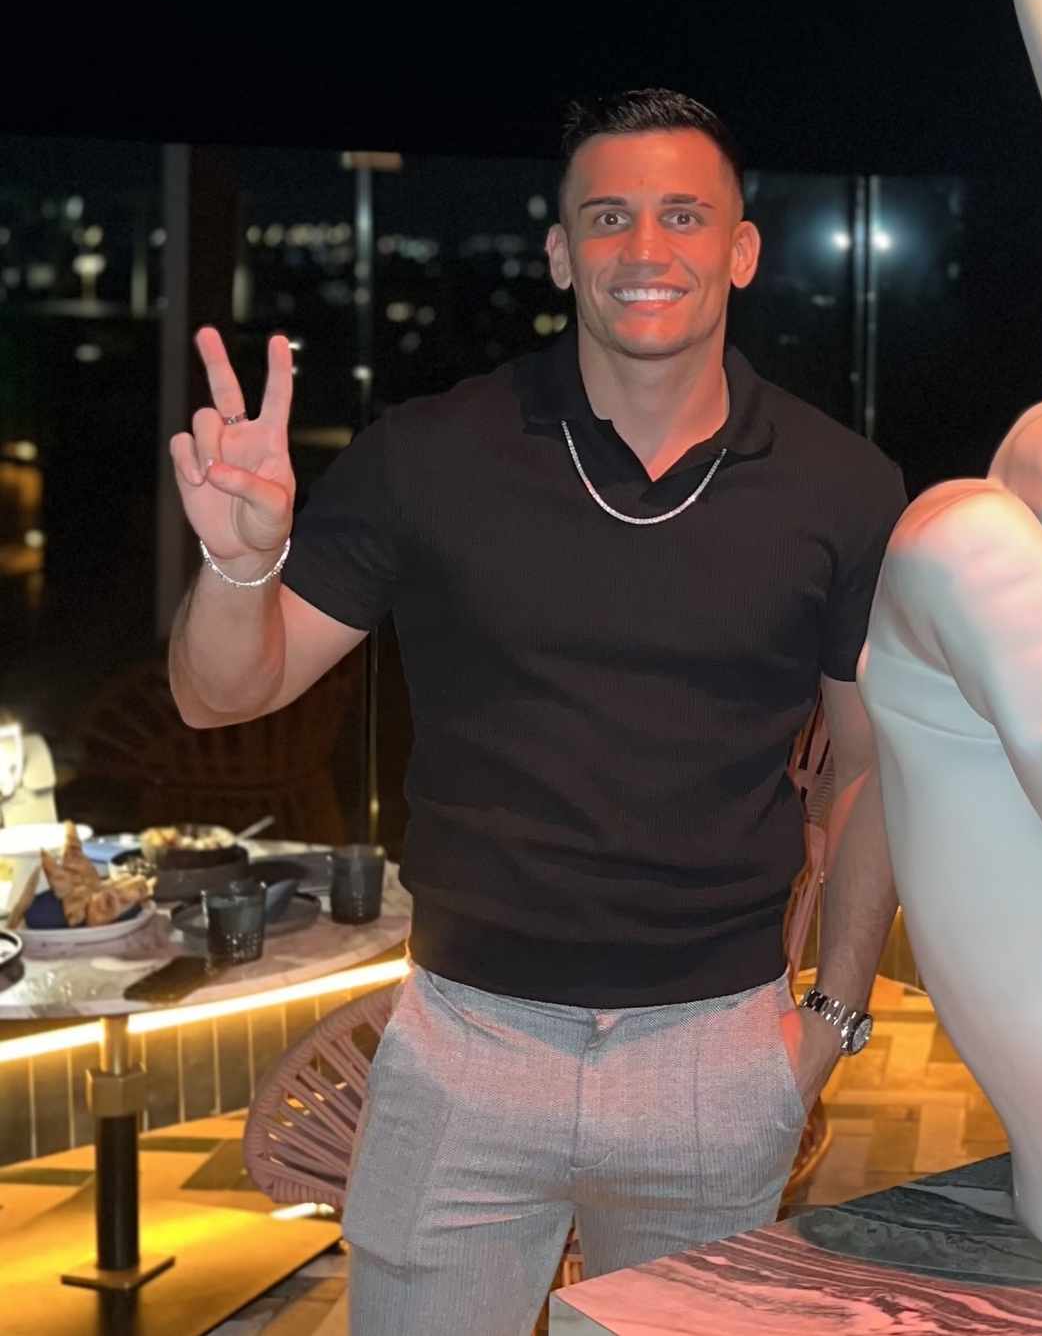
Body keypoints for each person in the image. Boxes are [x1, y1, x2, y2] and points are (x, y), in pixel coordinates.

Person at [168, 88, 906, 1335]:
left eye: (682, 215)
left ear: (740, 249)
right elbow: (217, 692)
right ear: (561, 253)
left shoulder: (842, 486)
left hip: (713, 1052)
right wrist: (240, 564)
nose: (643, 247)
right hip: (465, 1042)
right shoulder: (430, 455)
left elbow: (870, 766)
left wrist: (828, 1018)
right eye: (606, 217)